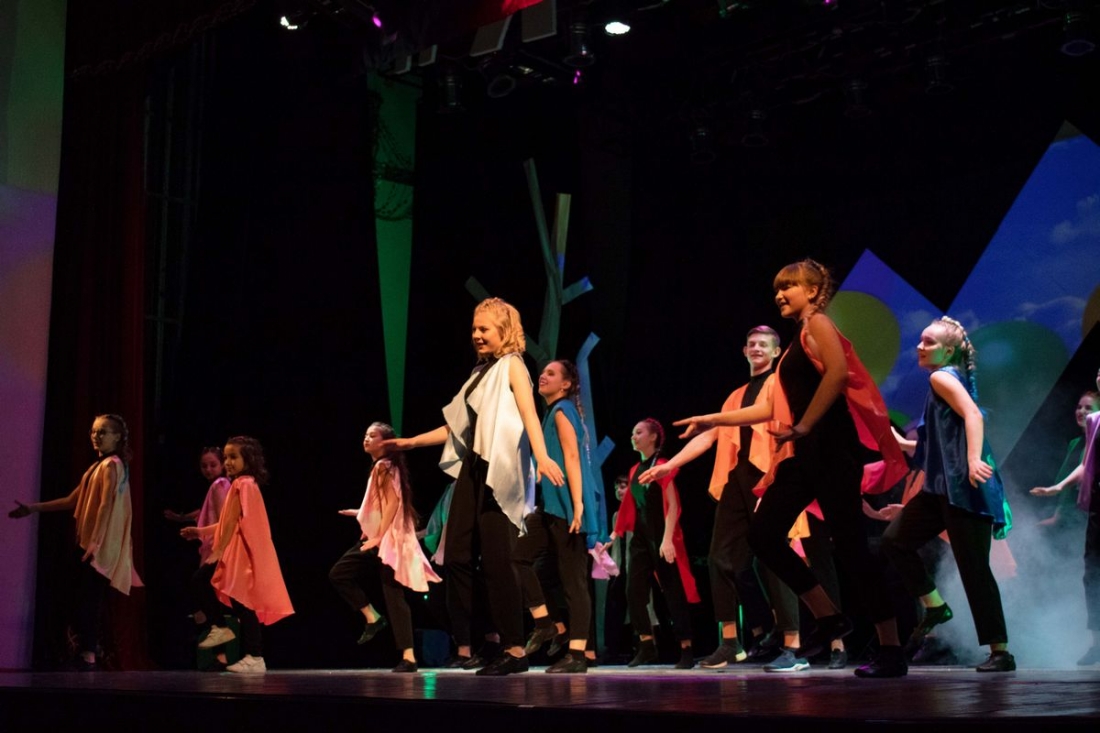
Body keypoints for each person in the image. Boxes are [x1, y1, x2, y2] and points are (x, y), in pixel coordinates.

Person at [674, 259, 909, 678]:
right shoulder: (797, 342)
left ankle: (891, 649)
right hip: (805, 454)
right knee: (764, 535)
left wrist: (804, 425)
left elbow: (838, 374)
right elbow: (768, 407)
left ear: (814, 291)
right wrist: (712, 419)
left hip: (832, 450)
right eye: (777, 289)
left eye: (789, 287)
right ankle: (830, 617)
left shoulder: (818, 324)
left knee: (851, 548)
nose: (780, 295)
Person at [384, 297, 564, 676]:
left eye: (485, 329)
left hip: (499, 466)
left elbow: (529, 412)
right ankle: (490, 638)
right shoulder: (480, 373)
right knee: (456, 556)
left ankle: (515, 649)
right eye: (474, 329)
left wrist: (543, 456)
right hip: (473, 466)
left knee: (498, 558)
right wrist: (410, 442)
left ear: (504, 331)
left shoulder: (513, 365)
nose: (477, 335)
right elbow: (456, 427)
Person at [638, 326, 795, 669]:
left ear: (776, 352)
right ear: (744, 351)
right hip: (737, 478)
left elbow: (768, 419)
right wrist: (671, 465)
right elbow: (709, 437)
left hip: (769, 474)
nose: (756, 348)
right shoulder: (735, 396)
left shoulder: (778, 385)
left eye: (763, 344)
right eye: (751, 344)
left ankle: (791, 645)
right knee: (719, 558)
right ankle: (729, 642)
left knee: (774, 557)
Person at [880, 317, 1015, 672]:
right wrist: (905, 444)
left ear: (949, 351)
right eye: (921, 340)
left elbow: (973, 416)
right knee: (895, 540)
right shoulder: (945, 380)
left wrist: (973, 460)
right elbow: (942, 439)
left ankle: (1001, 652)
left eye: (929, 342)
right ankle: (936, 606)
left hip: (963, 488)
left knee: (974, 570)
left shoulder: (942, 377)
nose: (920, 347)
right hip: (940, 489)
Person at [10, 414, 142, 670]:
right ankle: (87, 650)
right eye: (94, 431)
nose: (96, 436)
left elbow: (106, 504)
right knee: (79, 597)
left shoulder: (111, 465)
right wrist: (33, 508)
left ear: (117, 437)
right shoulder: (96, 467)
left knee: (88, 599)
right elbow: (72, 500)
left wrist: (96, 541)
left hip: (98, 546)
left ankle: (89, 654)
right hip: (90, 544)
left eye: (103, 432)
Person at [329, 422, 442, 672]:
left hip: (386, 539)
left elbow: (392, 503)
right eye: (365, 435)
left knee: (351, 578)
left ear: (386, 442)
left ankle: (398, 644)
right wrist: (360, 512)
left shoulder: (383, 466)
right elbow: (382, 503)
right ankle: (382, 627)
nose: (366, 439)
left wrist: (379, 537)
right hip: (384, 537)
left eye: (373, 435)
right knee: (388, 592)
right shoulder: (385, 466)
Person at [515, 359, 600, 673]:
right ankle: (547, 624)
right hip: (550, 506)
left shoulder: (563, 410)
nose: (543, 376)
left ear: (566, 384)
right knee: (519, 558)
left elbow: (572, 457)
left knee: (573, 581)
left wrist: (577, 504)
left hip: (567, 507)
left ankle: (577, 655)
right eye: (543, 372)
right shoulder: (552, 412)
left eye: (551, 373)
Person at [181, 436, 294, 674]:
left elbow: (238, 523)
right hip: (236, 550)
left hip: (240, 552)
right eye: (226, 457)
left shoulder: (244, 484)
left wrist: (219, 550)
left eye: (233, 457)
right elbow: (226, 521)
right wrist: (201, 531)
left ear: (248, 459)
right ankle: (250, 652)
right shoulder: (240, 483)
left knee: (211, 585)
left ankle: (245, 647)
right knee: (239, 601)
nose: (228, 462)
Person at [609, 418, 700, 669]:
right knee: (633, 590)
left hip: (661, 534)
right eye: (632, 433)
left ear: (653, 437)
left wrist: (667, 539)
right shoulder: (634, 470)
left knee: (673, 591)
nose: (633, 437)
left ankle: (686, 648)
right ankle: (646, 644)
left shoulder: (662, 466)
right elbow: (629, 507)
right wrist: (614, 536)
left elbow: (673, 504)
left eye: (638, 432)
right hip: (641, 537)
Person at [1032, 366, 1100, 666]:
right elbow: (1087, 464)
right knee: (1093, 575)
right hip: (1096, 508)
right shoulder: (1096, 424)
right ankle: (1097, 643)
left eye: (1088, 407)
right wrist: (1058, 487)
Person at [165, 446, 232, 668]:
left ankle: (216, 635)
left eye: (213, 465)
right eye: (204, 466)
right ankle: (219, 654)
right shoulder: (219, 485)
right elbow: (203, 511)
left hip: (216, 548)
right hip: (212, 547)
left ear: (222, 465)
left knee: (202, 590)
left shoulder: (219, 485)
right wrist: (181, 518)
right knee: (209, 597)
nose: (208, 469)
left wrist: (199, 532)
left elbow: (223, 519)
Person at [1032, 391, 1100, 560]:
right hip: (1074, 516)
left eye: (1088, 408)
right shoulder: (1076, 443)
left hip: (1086, 517)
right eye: (1079, 407)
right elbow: (1076, 478)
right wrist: (1058, 513)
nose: (1082, 411)